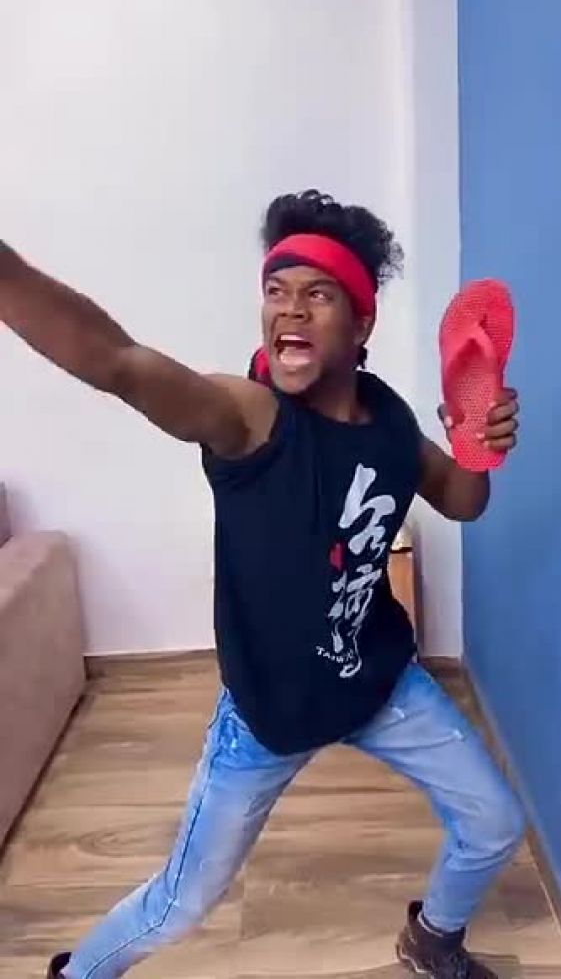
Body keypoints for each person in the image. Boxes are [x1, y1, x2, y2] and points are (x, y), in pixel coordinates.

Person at [0, 189, 524, 979]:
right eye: (277, 290)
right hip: (269, 714)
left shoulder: (387, 420)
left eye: (318, 294)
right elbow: (119, 363)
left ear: (362, 324)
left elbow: (462, 500)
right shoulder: (247, 418)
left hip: (379, 682)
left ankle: (432, 940)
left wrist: (478, 443)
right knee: (181, 904)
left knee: (495, 821)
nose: (290, 310)